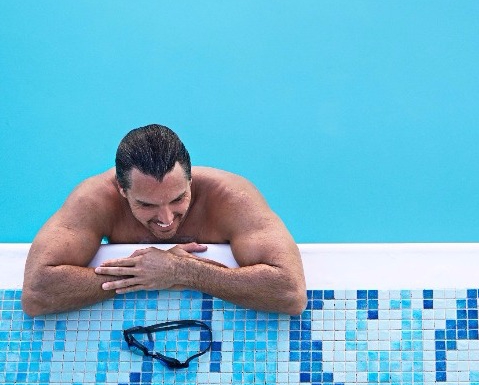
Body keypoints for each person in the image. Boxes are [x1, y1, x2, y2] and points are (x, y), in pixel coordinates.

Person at [22, 124, 307, 317]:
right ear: (122, 190)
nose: (166, 219)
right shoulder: (94, 199)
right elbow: (37, 292)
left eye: (177, 199)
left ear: (191, 181)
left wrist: (184, 271)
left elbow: (290, 292)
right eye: (146, 204)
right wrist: (142, 274)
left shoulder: (231, 196)